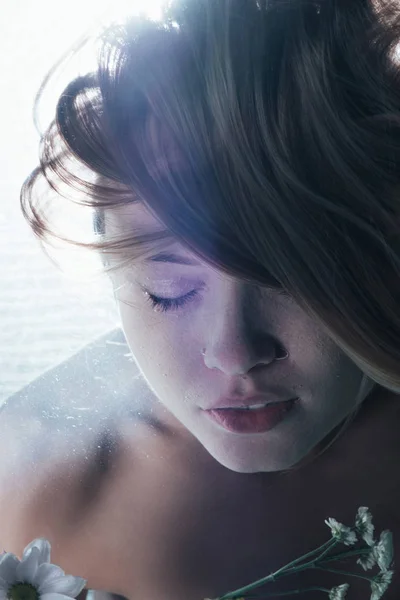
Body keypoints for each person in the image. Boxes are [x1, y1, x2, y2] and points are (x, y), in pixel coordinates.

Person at [1, 0, 400, 598]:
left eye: (294, 282)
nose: (234, 352)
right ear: (112, 272)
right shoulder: (35, 493)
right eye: (171, 293)